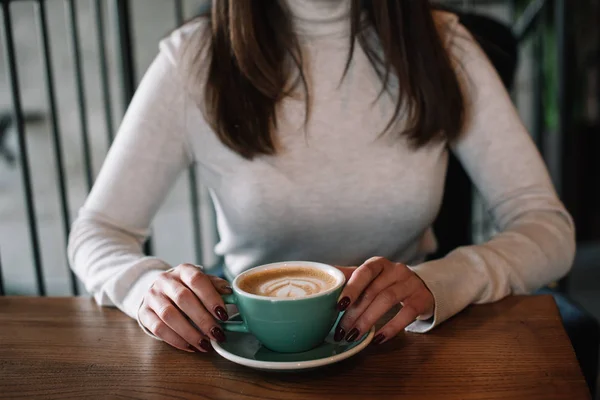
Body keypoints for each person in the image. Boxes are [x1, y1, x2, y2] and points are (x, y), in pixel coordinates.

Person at [68, 0, 575, 353]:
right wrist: (144, 289)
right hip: (247, 343)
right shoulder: (194, 57)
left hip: (403, 344)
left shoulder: (448, 47)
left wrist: (443, 281)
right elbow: (97, 231)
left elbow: (548, 228)